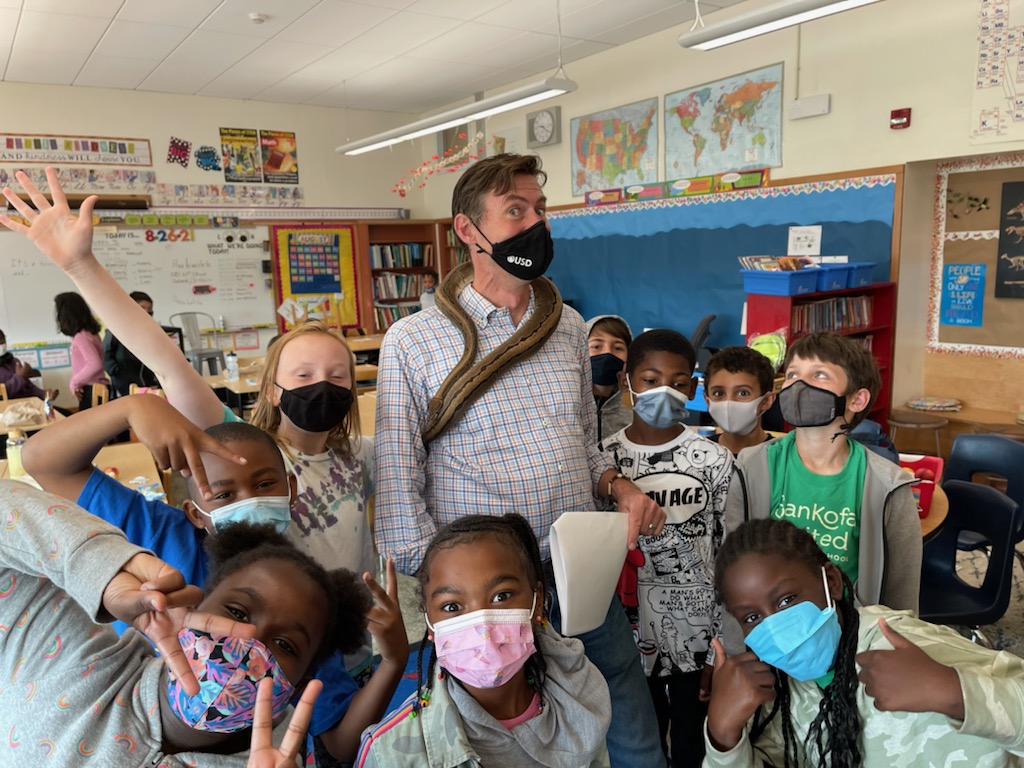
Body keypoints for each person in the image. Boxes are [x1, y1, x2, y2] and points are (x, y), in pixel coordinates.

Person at [0, 168, 376, 679]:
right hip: (246, 653)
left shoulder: (363, 455)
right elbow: (164, 358)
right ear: (272, 389)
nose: (322, 385)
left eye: (337, 375)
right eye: (303, 374)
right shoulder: (240, 451)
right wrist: (81, 267)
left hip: (338, 652)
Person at [373, 153, 666, 766]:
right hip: (490, 594)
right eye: (515, 210)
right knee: (505, 742)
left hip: (576, 569)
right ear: (467, 229)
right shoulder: (413, 341)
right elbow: (399, 490)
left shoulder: (569, 327)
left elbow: (583, 443)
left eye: (540, 209)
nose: (536, 224)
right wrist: (451, 599)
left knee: (626, 718)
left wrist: (619, 486)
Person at [20, 392, 408, 765]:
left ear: (290, 489)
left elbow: (338, 741)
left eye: (264, 485)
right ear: (193, 511)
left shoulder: (303, 603)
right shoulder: (159, 534)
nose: (248, 501)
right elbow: (43, 462)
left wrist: (393, 661)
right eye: (223, 495)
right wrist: (132, 408)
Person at [0, 479, 368, 767]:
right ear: (198, 605)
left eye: (285, 645)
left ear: (297, 685)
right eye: (237, 613)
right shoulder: (67, 655)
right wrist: (105, 568)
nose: (248, 643)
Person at [705, 517, 1024, 767]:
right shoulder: (778, 695)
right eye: (752, 617)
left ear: (831, 581)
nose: (775, 629)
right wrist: (722, 734)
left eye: (787, 600)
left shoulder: (904, 646)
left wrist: (953, 692)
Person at [358, 513, 612, 767]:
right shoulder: (390, 755)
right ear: (429, 624)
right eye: (452, 606)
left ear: (537, 601)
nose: (483, 625)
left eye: (501, 596)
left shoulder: (580, 704)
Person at [598, 329, 732, 768]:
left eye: (677, 383)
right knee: (640, 743)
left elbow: (728, 552)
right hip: (626, 638)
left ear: (692, 388)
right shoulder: (603, 462)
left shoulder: (715, 460)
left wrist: (722, 643)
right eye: (651, 380)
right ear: (627, 382)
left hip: (698, 635)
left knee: (693, 744)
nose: (664, 392)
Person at [724, 331, 921, 611]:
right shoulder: (750, 467)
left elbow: (902, 589)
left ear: (857, 400)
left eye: (819, 375)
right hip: (770, 627)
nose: (798, 385)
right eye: (792, 374)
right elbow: (732, 568)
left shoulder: (887, 485)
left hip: (851, 629)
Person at [704, 346, 777, 456]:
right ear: (707, 401)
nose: (728, 403)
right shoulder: (697, 454)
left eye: (743, 393)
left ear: (766, 400)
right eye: (718, 393)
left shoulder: (780, 457)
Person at [54, 290, 109, 410]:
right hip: (92, 387)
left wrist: (74, 382)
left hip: (92, 389)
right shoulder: (87, 334)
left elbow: (95, 364)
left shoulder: (82, 336)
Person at [104, 290, 160, 396]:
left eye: (150, 310)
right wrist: (116, 372)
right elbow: (106, 354)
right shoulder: (116, 328)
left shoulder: (150, 331)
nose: (146, 313)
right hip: (124, 383)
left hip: (147, 383)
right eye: (142, 308)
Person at [587, 314, 632, 443]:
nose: (607, 353)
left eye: (618, 348)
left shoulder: (634, 418)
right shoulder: (565, 410)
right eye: (596, 346)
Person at [0, 326, 46, 399]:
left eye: (2, 339)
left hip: (27, 403)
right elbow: (2, 394)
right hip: (8, 405)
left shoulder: (14, 361)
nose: (1, 343)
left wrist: (45, 394)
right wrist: (19, 377)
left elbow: (28, 387)